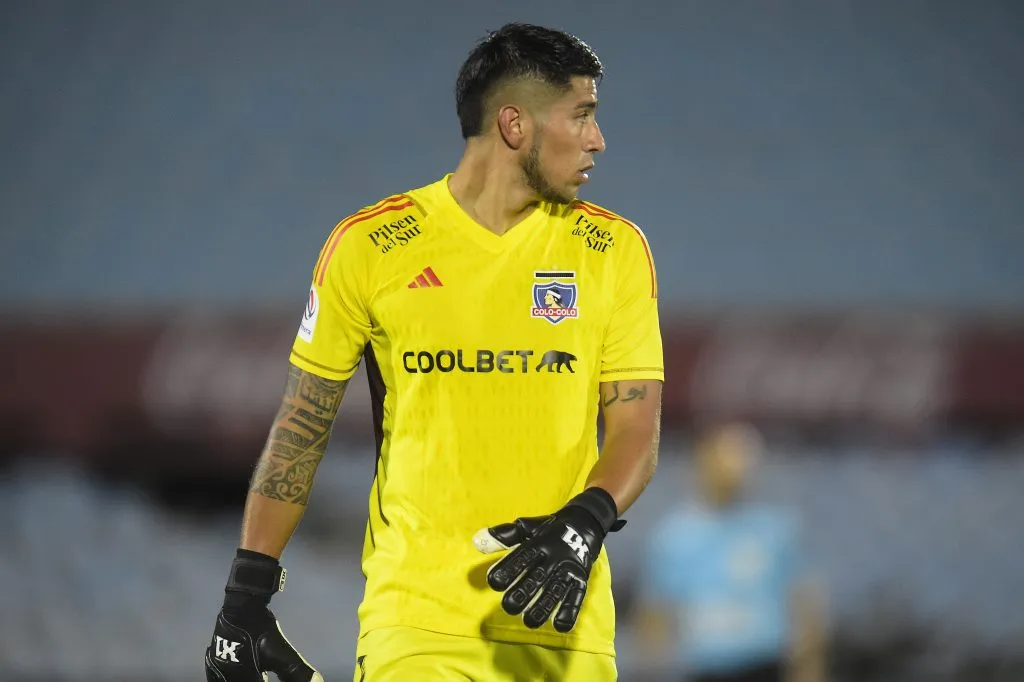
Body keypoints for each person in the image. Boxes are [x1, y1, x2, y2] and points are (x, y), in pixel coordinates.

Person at [204, 23, 664, 682]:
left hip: (566, 628)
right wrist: (243, 600)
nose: (598, 139)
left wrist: (585, 520)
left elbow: (636, 431)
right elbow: (302, 426)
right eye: (581, 115)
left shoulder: (613, 251)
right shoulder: (371, 247)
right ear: (515, 125)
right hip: (416, 626)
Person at [633, 423, 828, 682]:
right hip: (705, 668)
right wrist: (653, 668)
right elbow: (655, 617)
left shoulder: (774, 530)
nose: (734, 471)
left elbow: (805, 605)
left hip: (766, 665)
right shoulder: (675, 536)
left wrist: (809, 671)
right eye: (725, 459)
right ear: (703, 462)